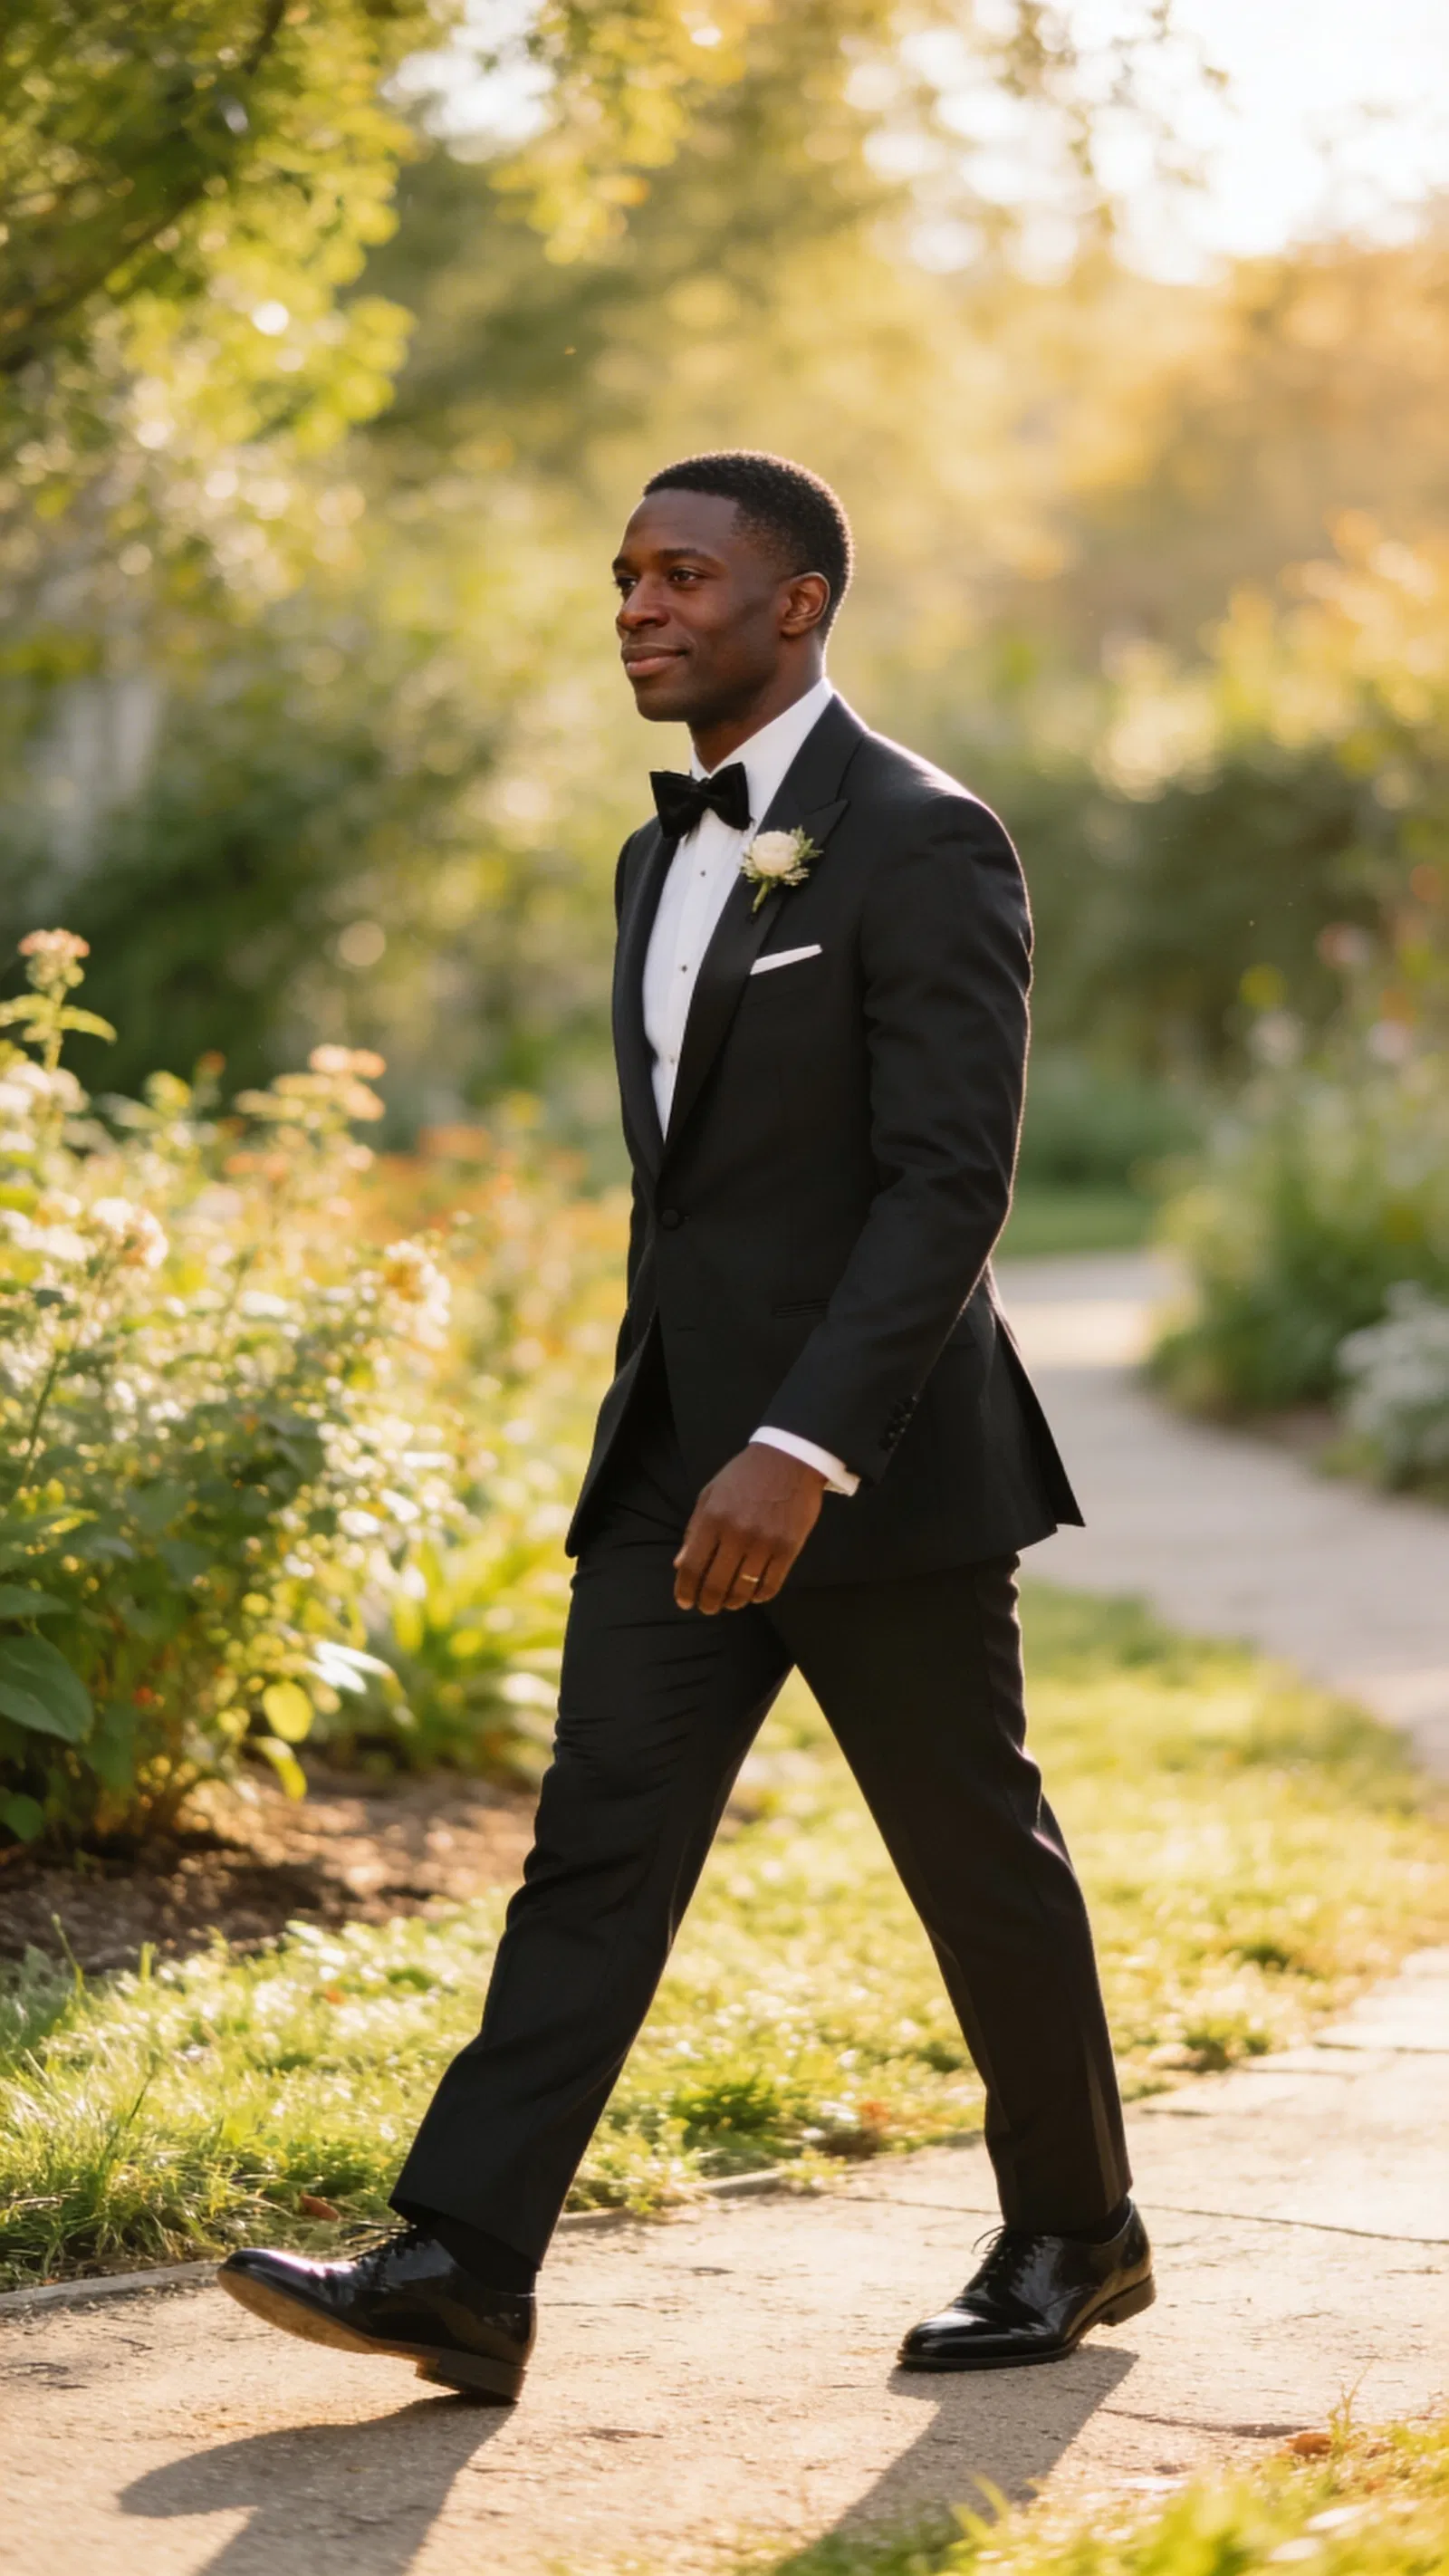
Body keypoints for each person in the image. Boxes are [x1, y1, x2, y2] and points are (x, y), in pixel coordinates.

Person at [219, 449, 1153, 2402]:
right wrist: (690, 1430)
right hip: (668, 1462)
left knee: (968, 1850)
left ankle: (1074, 2231)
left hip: (866, 1470)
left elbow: (943, 1185)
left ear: (797, 602)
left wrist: (800, 1447)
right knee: (594, 1847)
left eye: (682, 575)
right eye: (625, 573)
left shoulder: (922, 837)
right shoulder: (655, 856)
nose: (638, 605)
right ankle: (464, 2263)